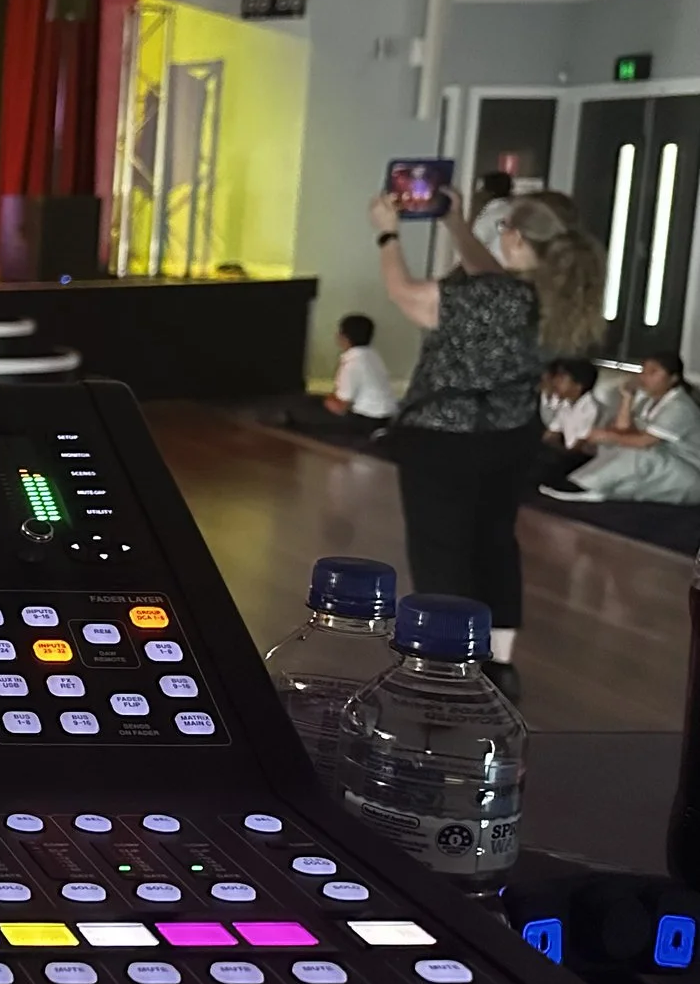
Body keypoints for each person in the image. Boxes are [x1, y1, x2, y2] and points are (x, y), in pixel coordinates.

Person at [372, 188, 605, 700]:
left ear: (515, 237)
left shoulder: (493, 298)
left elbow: (407, 295)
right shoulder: (558, 290)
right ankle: (498, 666)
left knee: (442, 552)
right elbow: (490, 277)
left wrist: (388, 232)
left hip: (446, 440)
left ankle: (442, 668)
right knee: (494, 543)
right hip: (511, 437)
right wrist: (456, 223)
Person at [543, 354, 700, 506]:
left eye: (653, 372)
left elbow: (644, 442)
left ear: (673, 378)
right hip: (664, 470)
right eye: (643, 371)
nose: (644, 377)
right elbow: (622, 429)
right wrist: (627, 397)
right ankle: (587, 487)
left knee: (639, 452)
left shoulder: (680, 407)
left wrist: (608, 436)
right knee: (615, 443)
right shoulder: (647, 402)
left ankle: (582, 485)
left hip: (689, 474)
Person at [281, 312, 398, 439]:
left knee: (296, 413)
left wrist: (326, 401)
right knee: (312, 400)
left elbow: (340, 408)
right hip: (386, 415)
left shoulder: (353, 362)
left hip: (366, 420)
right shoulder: (372, 355)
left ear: (344, 337)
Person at [470, 169, 515, 249]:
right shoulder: (512, 210)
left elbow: (474, 245)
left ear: (490, 192)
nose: (478, 193)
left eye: (482, 188)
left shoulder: (490, 216)